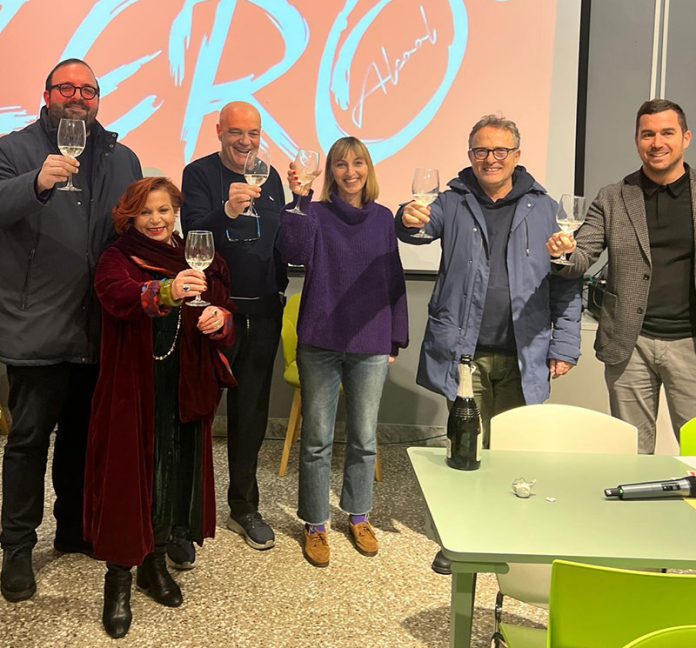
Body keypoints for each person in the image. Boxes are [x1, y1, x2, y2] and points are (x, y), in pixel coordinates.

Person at [395, 114, 581, 574]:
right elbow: (417, 227)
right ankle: (462, 537)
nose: (490, 159)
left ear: (517, 155)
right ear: (470, 155)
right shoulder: (452, 201)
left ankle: (508, 533)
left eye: (500, 150)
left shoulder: (545, 208)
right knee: (465, 447)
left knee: (513, 448)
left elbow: (566, 281)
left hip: (525, 351)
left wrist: (565, 344)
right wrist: (406, 216)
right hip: (465, 353)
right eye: (481, 150)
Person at [0, 58, 142, 602]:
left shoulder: (123, 158)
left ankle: (72, 527)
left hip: (100, 328)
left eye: (88, 90)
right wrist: (36, 182)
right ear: (46, 95)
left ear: (98, 99)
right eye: (67, 87)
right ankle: (17, 547)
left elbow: (136, 231)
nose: (77, 97)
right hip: (36, 324)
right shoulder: (14, 150)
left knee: (84, 439)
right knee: (28, 441)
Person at [83, 177, 236, 638]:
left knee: (172, 475)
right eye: (146, 212)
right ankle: (118, 582)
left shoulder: (195, 256)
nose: (156, 220)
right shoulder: (117, 258)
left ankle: (154, 564)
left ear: (176, 212)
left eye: (164, 210)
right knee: (129, 482)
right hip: (132, 389)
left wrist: (219, 319)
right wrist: (165, 292)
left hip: (183, 387)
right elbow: (117, 295)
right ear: (130, 216)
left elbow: (223, 311)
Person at [277, 136, 408, 568]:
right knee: (317, 439)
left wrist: (395, 337)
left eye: (358, 163)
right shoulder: (314, 214)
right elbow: (292, 252)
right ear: (330, 173)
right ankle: (315, 524)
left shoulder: (383, 218)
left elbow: (393, 278)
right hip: (321, 342)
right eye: (340, 165)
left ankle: (358, 516)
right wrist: (299, 198)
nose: (350, 172)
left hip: (370, 343)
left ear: (368, 168)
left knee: (364, 438)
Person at [547, 98, 696, 454]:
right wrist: (562, 253)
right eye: (647, 134)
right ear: (637, 140)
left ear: (686, 138)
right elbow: (581, 256)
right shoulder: (613, 197)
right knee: (633, 453)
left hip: (690, 344)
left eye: (667, 133)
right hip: (630, 344)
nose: (657, 143)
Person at [179, 101, 287, 563]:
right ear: (219, 131)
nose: (246, 141)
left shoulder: (271, 177)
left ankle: (244, 507)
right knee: (197, 411)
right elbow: (193, 235)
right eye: (237, 132)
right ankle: (183, 517)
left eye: (254, 133)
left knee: (251, 415)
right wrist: (226, 210)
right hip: (213, 312)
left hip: (262, 313)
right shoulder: (199, 174)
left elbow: (280, 238)